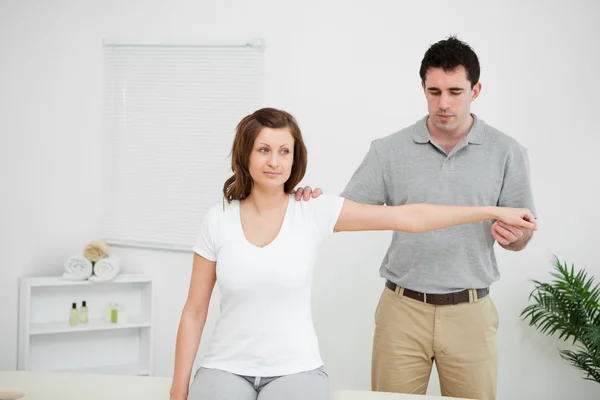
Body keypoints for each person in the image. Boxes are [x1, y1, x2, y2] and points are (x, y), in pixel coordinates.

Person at [169, 107, 537, 400]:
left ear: (295, 159)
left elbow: (412, 217)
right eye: (263, 149)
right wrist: (178, 388)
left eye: (284, 151)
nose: (274, 161)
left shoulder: (312, 210)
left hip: (295, 370)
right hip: (224, 368)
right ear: (245, 154)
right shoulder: (217, 219)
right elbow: (194, 310)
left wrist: (493, 210)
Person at [295, 36, 537, 400]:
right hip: (402, 312)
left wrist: (514, 237)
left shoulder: (508, 152)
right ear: (422, 88)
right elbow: (345, 215)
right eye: (434, 91)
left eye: (455, 91)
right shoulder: (388, 150)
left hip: (471, 312)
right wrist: (311, 202)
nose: (444, 103)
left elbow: (522, 233)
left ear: (476, 89)